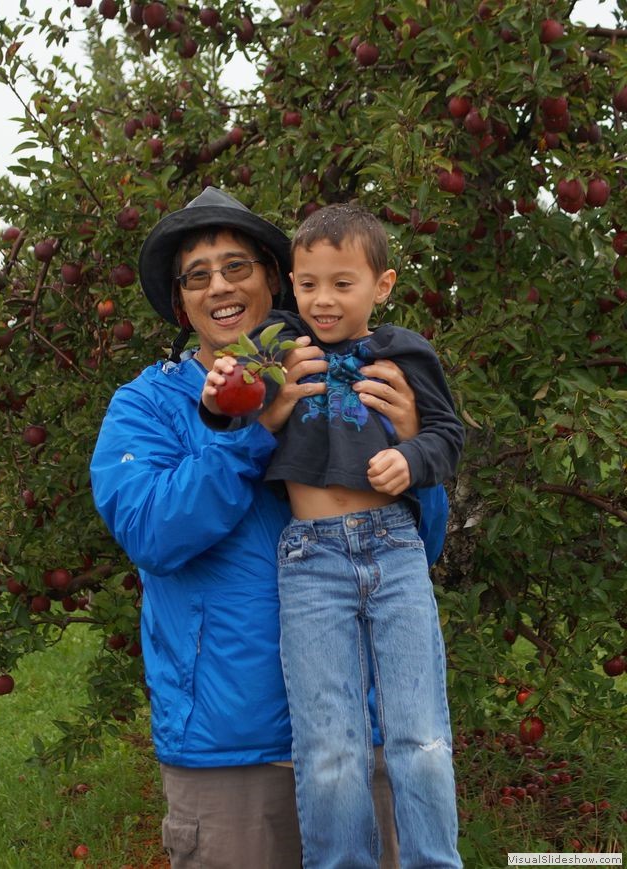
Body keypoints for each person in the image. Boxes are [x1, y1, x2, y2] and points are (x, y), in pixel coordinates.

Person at [90, 187, 449, 869]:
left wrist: (413, 453)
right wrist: (254, 433)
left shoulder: (350, 373)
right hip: (232, 747)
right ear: (181, 303)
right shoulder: (147, 406)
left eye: (237, 267)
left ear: (274, 281)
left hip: (365, 732)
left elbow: (418, 548)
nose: (220, 287)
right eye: (197, 276)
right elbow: (152, 532)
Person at [202, 204, 464, 868]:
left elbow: (447, 436)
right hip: (310, 556)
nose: (323, 300)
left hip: (395, 548)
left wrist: (412, 457)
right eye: (309, 283)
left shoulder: (406, 352)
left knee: (420, 734)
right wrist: (219, 390)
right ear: (292, 283)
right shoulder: (278, 339)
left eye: (342, 284)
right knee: (329, 743)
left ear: (382, 285)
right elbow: (233, 403)